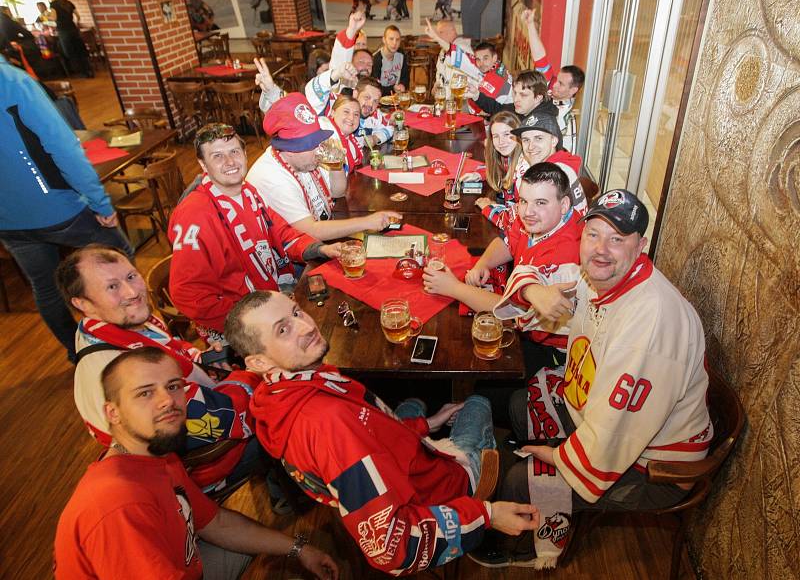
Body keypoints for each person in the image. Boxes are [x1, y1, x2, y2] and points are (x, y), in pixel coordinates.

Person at [222, 290, 541, 575]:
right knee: (478, 401)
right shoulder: (329, 425)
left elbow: (374, 432)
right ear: (259, 361)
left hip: (401, 459)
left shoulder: (273, 396)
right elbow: (391, 547)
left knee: (414, 402)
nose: (306, 326)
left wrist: (425, 425)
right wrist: (486, 514)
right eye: (283, 329)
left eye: (296, 312)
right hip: (439, 489)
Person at [474, 189, 713, 567]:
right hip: (602, 417)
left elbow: (617, 432)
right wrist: (537, 292)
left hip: (654, 466)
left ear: (642, 246)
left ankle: (524, 546)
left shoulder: (650, 322)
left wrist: (553, 454)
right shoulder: (597, 277)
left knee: (523, 478)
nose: (601, 249)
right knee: (522, 405)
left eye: (618, 238)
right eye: (594, 234)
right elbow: (526, 273)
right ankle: (539, 499)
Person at [54, 347, 339, 580]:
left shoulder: (157, 454)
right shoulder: (118, 503)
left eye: (174, 386)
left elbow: (216, 523)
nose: (168, 401)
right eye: (145, 393)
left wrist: (299, 549)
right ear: (112, 413)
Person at [55, 243, 267, 494]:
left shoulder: (107, 326)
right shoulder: (123, 368)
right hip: (191, 469)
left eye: (132, 277)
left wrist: (207, 360)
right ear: (82, 303)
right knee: (287, 412)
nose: (132, 292)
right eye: (112, 286)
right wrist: (255, 380)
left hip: (197, 416)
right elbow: (209, 420)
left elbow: (176, 350)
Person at [0, 55, 130, 363]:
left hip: (8, 220)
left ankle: (80, 354)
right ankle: (131, 339)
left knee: (45, 287)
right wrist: (99, 201)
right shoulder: (12, 80)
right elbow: (61, 145)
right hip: (56, 207)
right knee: (119, 259)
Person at [167, 122, 339, 342]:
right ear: (203, 164)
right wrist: (249, 324)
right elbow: (187, 293)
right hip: (237, 325)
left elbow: (281, 232)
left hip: (269, 296)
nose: (230, 162)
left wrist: (321, 248)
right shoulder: (194, 215)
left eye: (234, 152)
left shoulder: (248, 191)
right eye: (217, 156)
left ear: (245, 154)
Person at [424, 162, 583, 384]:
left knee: (469, 370)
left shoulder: (564, 255)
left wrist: (453, 288)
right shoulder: (536, 220)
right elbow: (509, 241)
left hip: (547, 350)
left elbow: (511, 310)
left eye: (541, 202)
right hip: (521, 316)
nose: (528, 212)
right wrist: (484, 263)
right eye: (524, 201)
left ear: (564, 205)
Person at [248, 93, 400, 240]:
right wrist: (367, 222)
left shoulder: (306, 157)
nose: (320, 149)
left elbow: (337, 192)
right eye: (312, 144)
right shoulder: (273, 177)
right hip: (293, 257)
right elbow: (311, 231)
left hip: (323, 227)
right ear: (290, 150)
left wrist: (337, 165)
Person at [523, 9, 585, 153]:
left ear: (573, 90)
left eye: (561, 84)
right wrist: (530, 24)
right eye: (557, 80)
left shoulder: (572, 116)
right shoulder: (551, 85)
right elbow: (540, 57)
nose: (554, 85)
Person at [475, 111, 522, 227]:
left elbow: (515, 223)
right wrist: (481, 174)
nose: (501, 142)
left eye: (507, 134)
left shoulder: (523, 172)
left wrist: (488, 208)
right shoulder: (507, 156)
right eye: (496, 136)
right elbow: (499, 168)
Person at [50, 0, 92, 77]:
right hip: (73, 29)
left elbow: (54, 18)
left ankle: (81, 72)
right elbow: (78, 16)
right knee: (80, 50)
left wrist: (48, 18)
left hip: (63, 31)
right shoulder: (69, 3)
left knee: (70, 52)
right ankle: (88, 70)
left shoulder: (53, 5)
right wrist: (76, 24)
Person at [424, 18, 473, 89]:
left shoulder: (462, 48)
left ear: (451, 32)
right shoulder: (443, 50)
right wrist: (437, 83)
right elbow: (440, 70)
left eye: (440, 32)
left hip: (460, 96)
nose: (437, 36)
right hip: (445, 96)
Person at [371, 24, 410, 95]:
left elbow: (406, 77)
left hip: (397, 97)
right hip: (381, 98)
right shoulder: (376, 59)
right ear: (384, 40)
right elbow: (375, 87)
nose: (394, 43)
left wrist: (403, 85)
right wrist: (392, 88)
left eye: (397, 40)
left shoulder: (401, 55)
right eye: (391, 39)